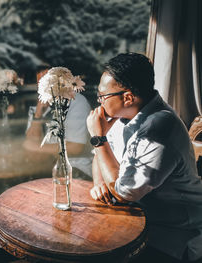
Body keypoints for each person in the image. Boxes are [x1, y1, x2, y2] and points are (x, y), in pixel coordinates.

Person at [86, 52, 202, 262]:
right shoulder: (123, 115)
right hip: (135, 218)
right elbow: (99, 156)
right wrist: (100, 184)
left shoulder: (158, 129)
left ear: (128, 97)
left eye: (103, 96)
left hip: (173, 235)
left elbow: (124, 193)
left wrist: (98, 137)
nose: (99, 102)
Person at [23, 69, 93, 179]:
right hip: (48, 166)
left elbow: (76, 147)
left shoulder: (77, 102)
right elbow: (31, 140)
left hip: (77, 168)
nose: (45, 85)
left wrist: (37, 148)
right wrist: (38, 114)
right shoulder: (40, 106)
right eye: (41, 83)